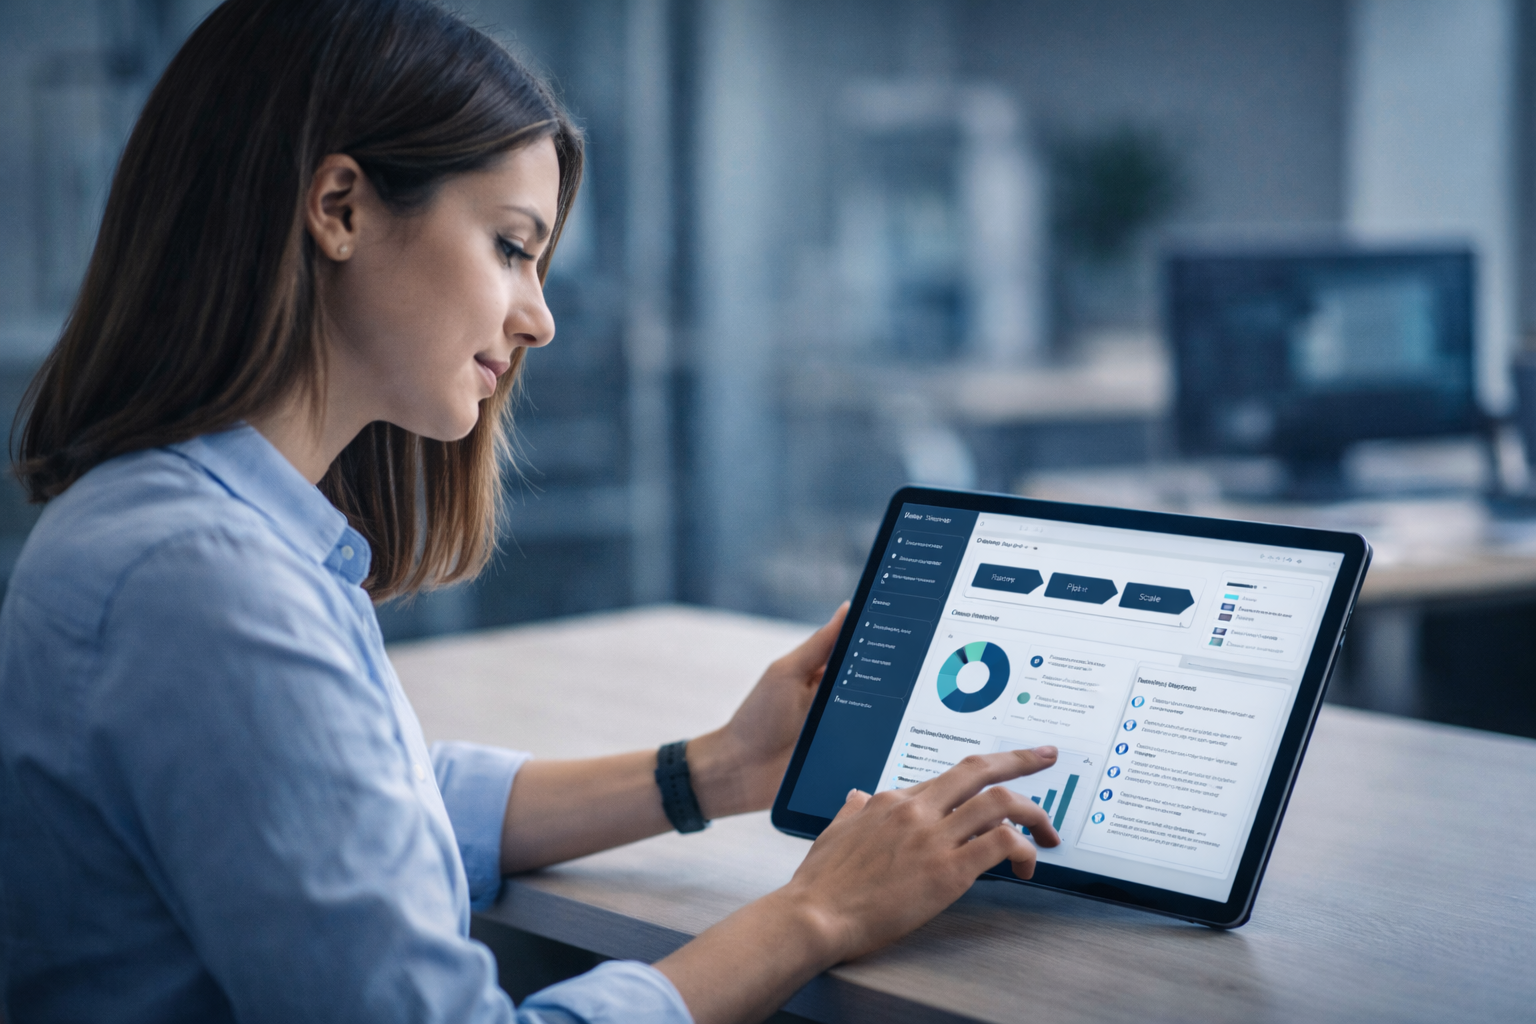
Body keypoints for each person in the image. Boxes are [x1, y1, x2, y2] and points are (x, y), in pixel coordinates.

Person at [0, 1, 1061, 1021]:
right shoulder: (203, 581)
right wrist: (818, 911)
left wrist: (722, 767)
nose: (540, 316)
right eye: (512, 246)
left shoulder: (180, 523)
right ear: (340, 209)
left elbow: (394, 797)